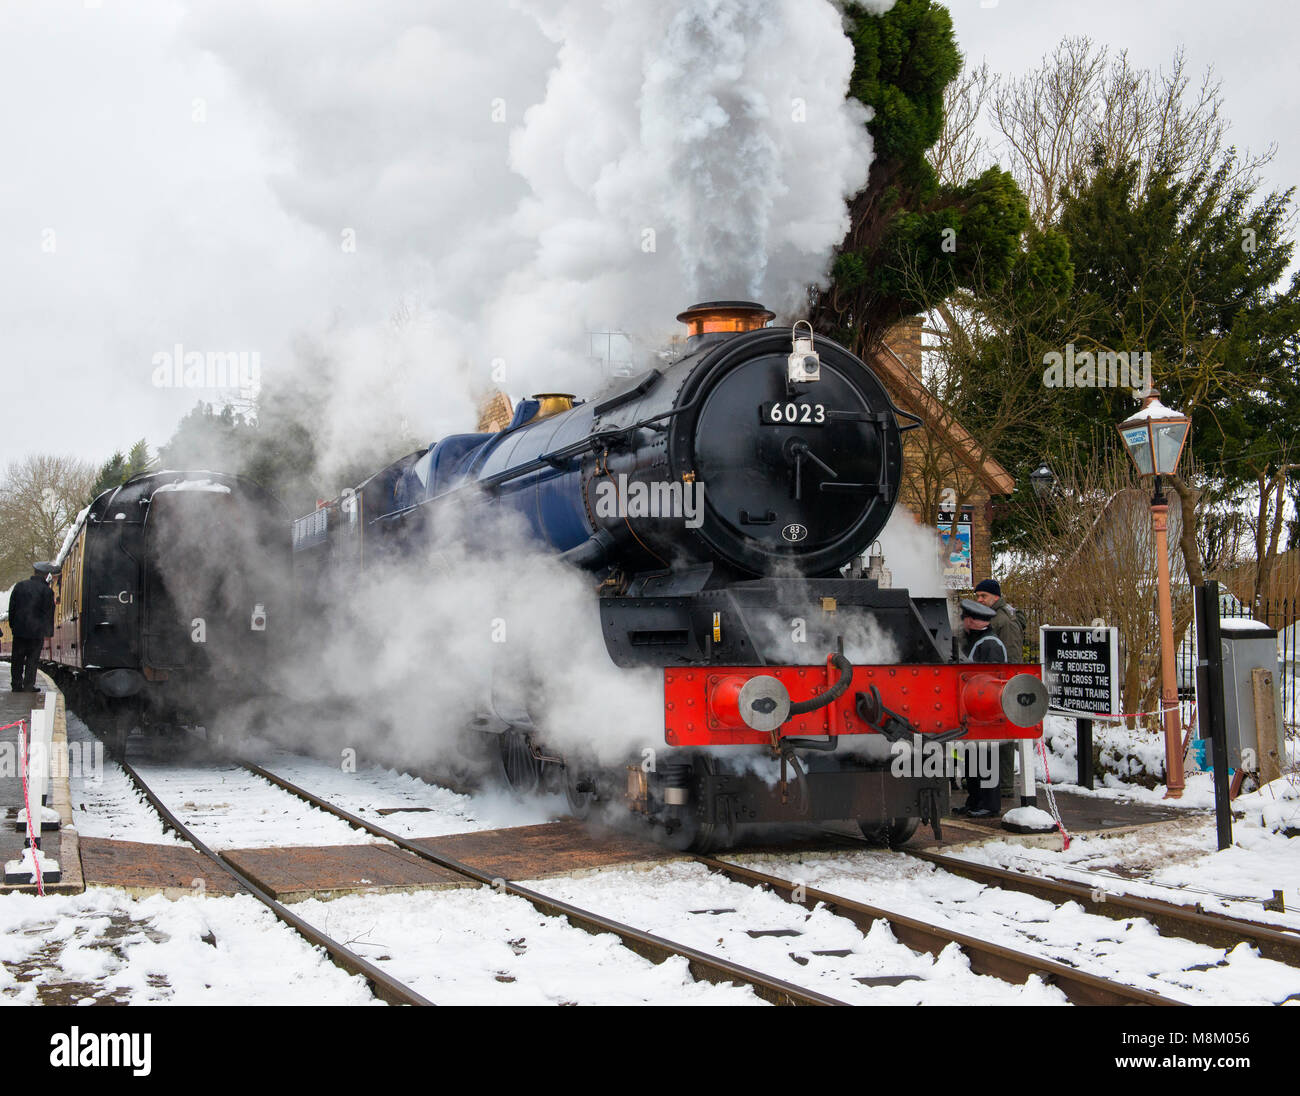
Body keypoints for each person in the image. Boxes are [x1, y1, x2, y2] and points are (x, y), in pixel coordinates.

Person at [953, 598, 1004, 817]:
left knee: (986, 758)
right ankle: (974, 800)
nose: (962, 621)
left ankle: (989, 803)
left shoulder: (990, 644)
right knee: (972, 757)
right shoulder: (977, 641)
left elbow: (990, 679)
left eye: (964, 618)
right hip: (973, 709)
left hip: (986, 711)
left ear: (973, 620)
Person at [974, 578, 1024, 802]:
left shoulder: (1003, 620)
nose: (979, 600)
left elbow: (1010, 653)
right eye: (978, 596)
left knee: (1003, 735)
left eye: (983, 596)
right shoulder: (1000, 616)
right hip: (998, 680)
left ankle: (1004, 785)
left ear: (995, 597)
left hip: (1003, 682)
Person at [7, 564, 54, 693]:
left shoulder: (19, 586)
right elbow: (49, 613)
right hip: (36, 632)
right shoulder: (47, 591)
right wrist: (48, 632)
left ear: (34, 572)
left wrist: (12, 625)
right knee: (32, 660)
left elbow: (12, 608)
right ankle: (29, 685)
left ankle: (16, 684)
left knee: (17, 658)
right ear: (45, 575)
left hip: (20, 631)